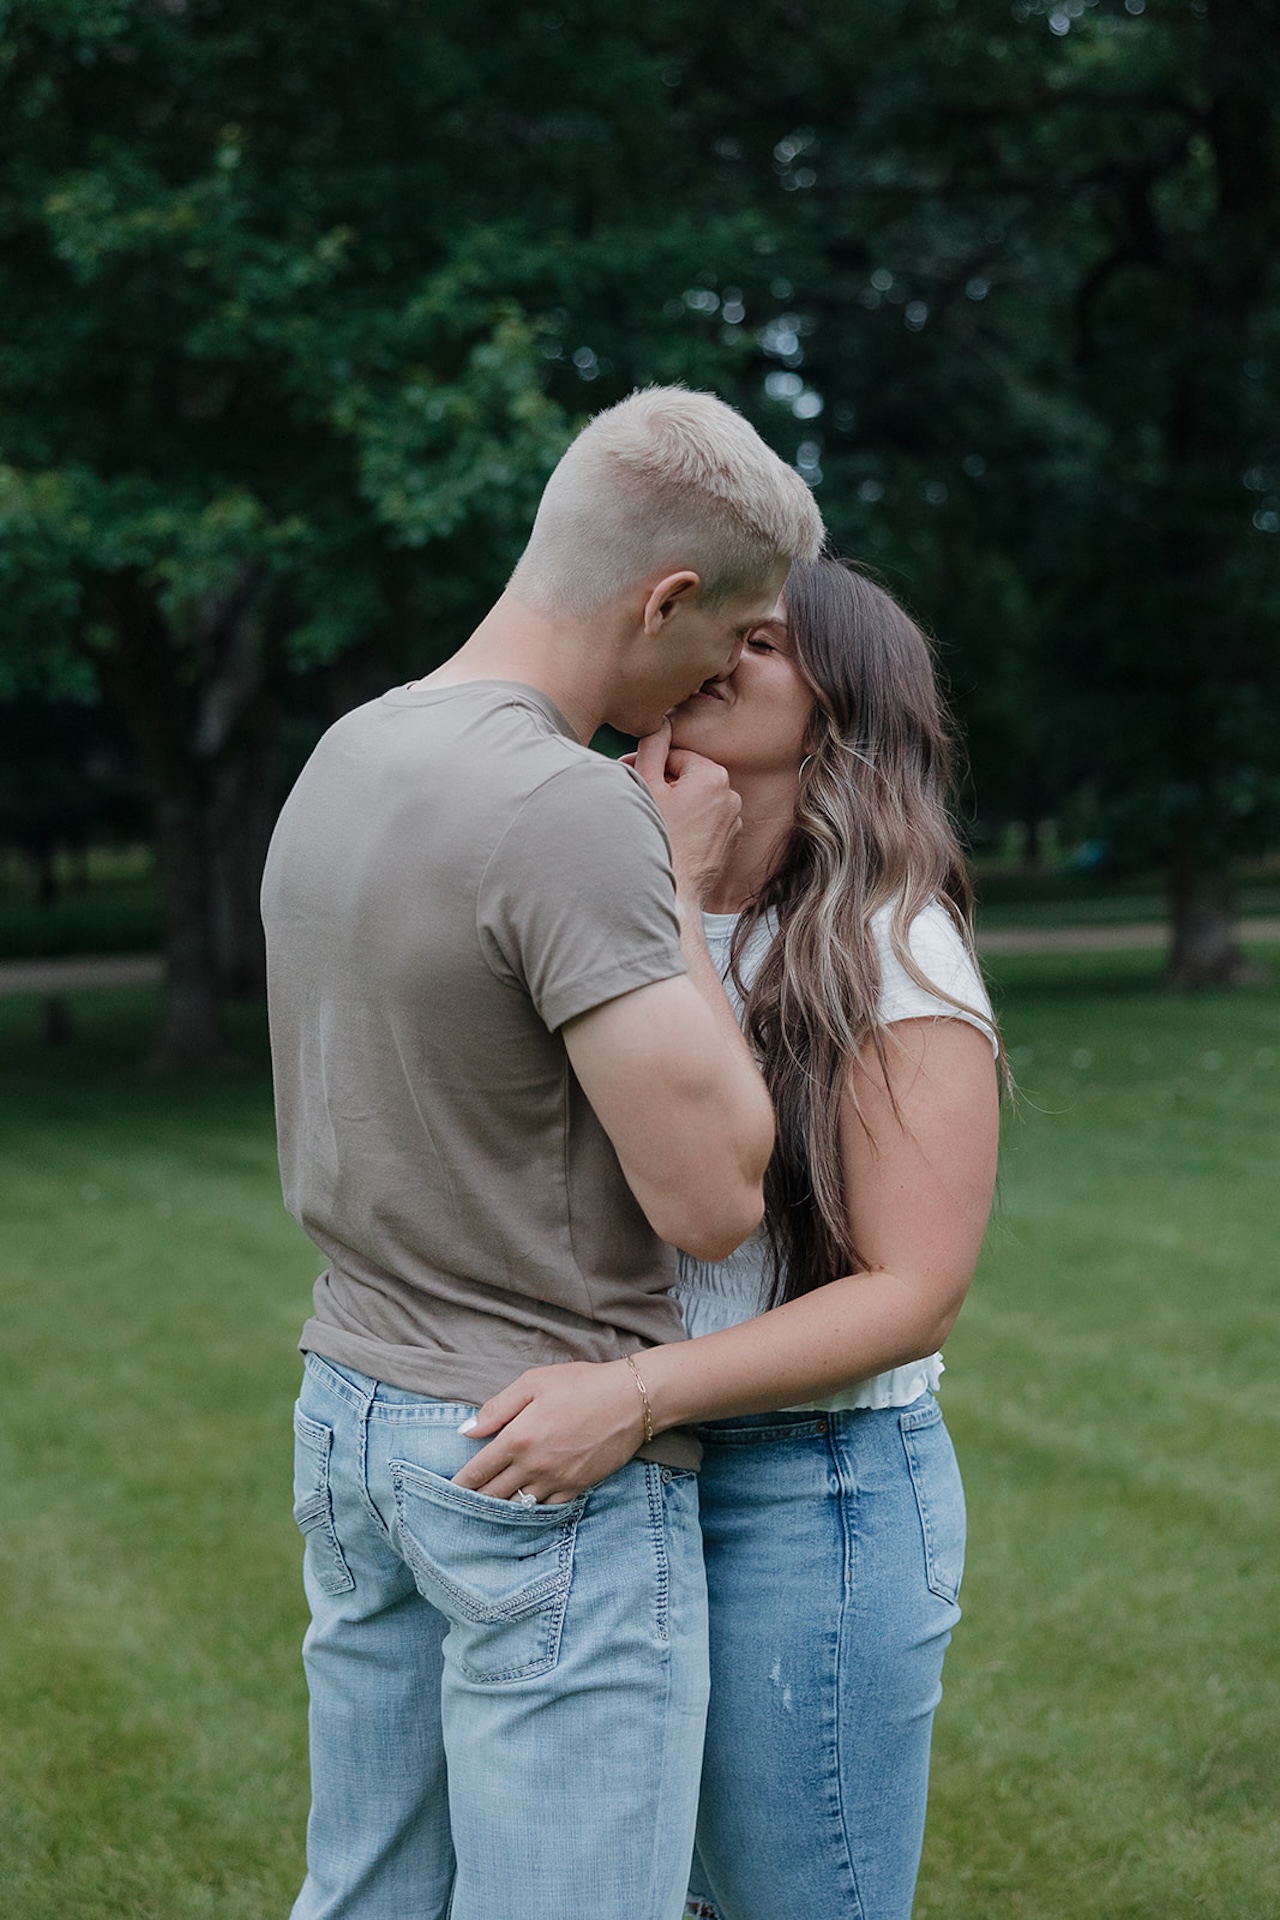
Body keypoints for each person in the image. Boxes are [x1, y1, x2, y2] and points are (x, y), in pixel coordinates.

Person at [260, 384, 824, 1920]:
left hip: (350, 1410)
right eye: (738, 631)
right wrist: (687, 882)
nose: (728, 671)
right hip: (531, 1455)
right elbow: (710, 1200)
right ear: (667, 597)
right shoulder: (569, 811)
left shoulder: (351, 752)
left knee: (364, 1893)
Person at [455, 557, 1002, 1920]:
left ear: (840, 703)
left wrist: (634, 1395)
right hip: (607, 1487)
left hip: (808, 1494)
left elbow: (915, 1293)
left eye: (760, 642)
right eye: (714, 629)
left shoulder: (894, 946)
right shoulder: (592, 893)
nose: (715, 657)